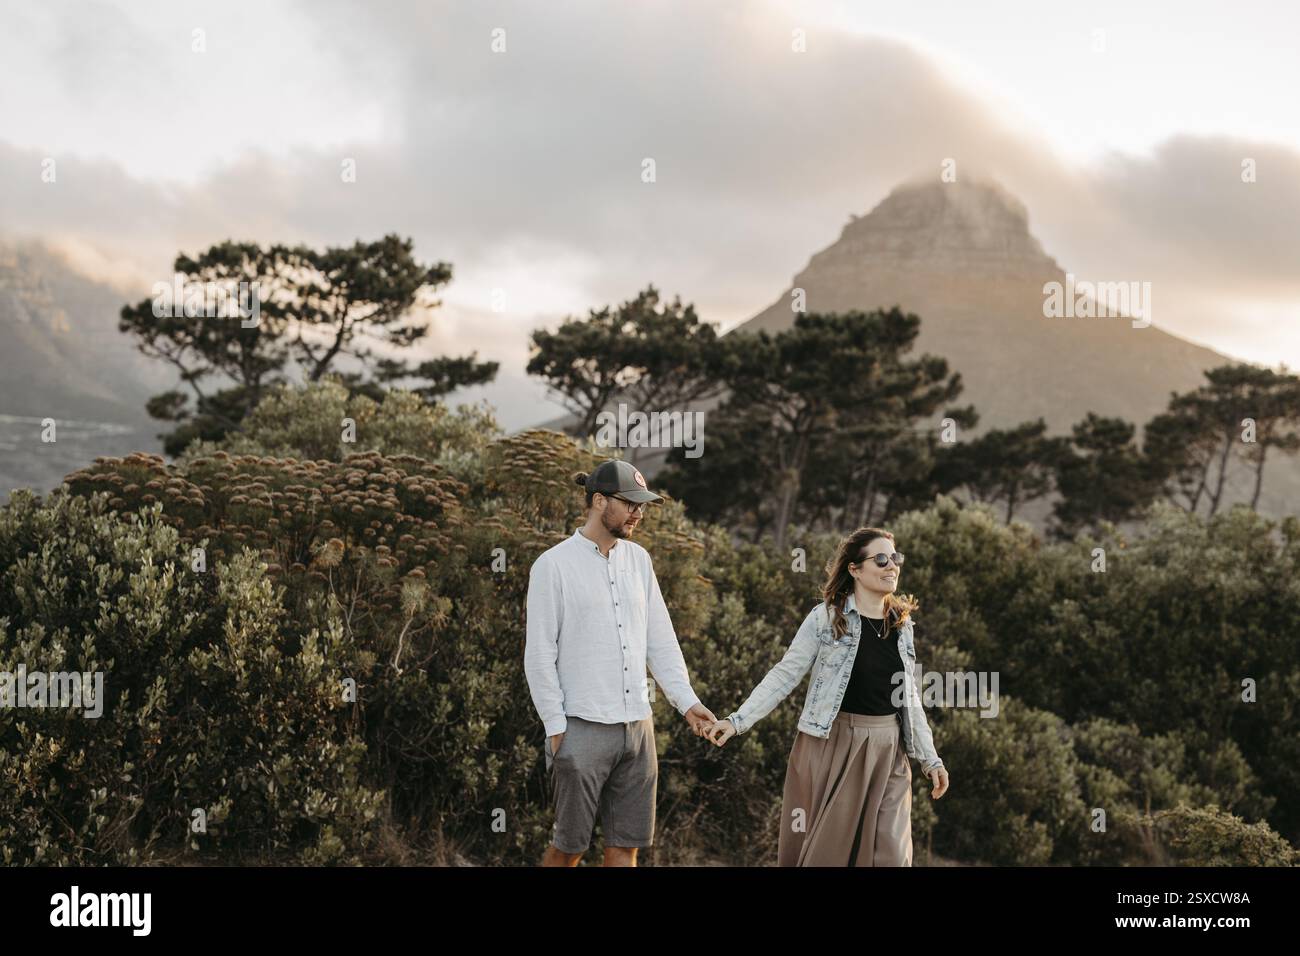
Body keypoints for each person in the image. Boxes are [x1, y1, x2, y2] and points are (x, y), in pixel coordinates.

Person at [707, 527, 950, 866]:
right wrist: (737, 721)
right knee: (829, 856)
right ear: (855, 569)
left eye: (895, 558)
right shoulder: (826, 618)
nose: (891, 565)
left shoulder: (902, 626)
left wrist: (930, 758)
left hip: (888, 752)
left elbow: (909, 698)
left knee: (893, 856)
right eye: (880, 559)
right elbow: (785, 674)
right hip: (834, 745)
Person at [524, 459, 718, 867]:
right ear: (598, 501)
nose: (638, 513)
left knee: (625, 847)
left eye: (642, 505)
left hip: (638, 727)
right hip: (580, 728)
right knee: (569, 847)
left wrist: (687, 703)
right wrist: (556, 728)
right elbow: (539, 655)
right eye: (629, 503)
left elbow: (660, 642)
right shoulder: (552, 565)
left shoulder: (639, 561)